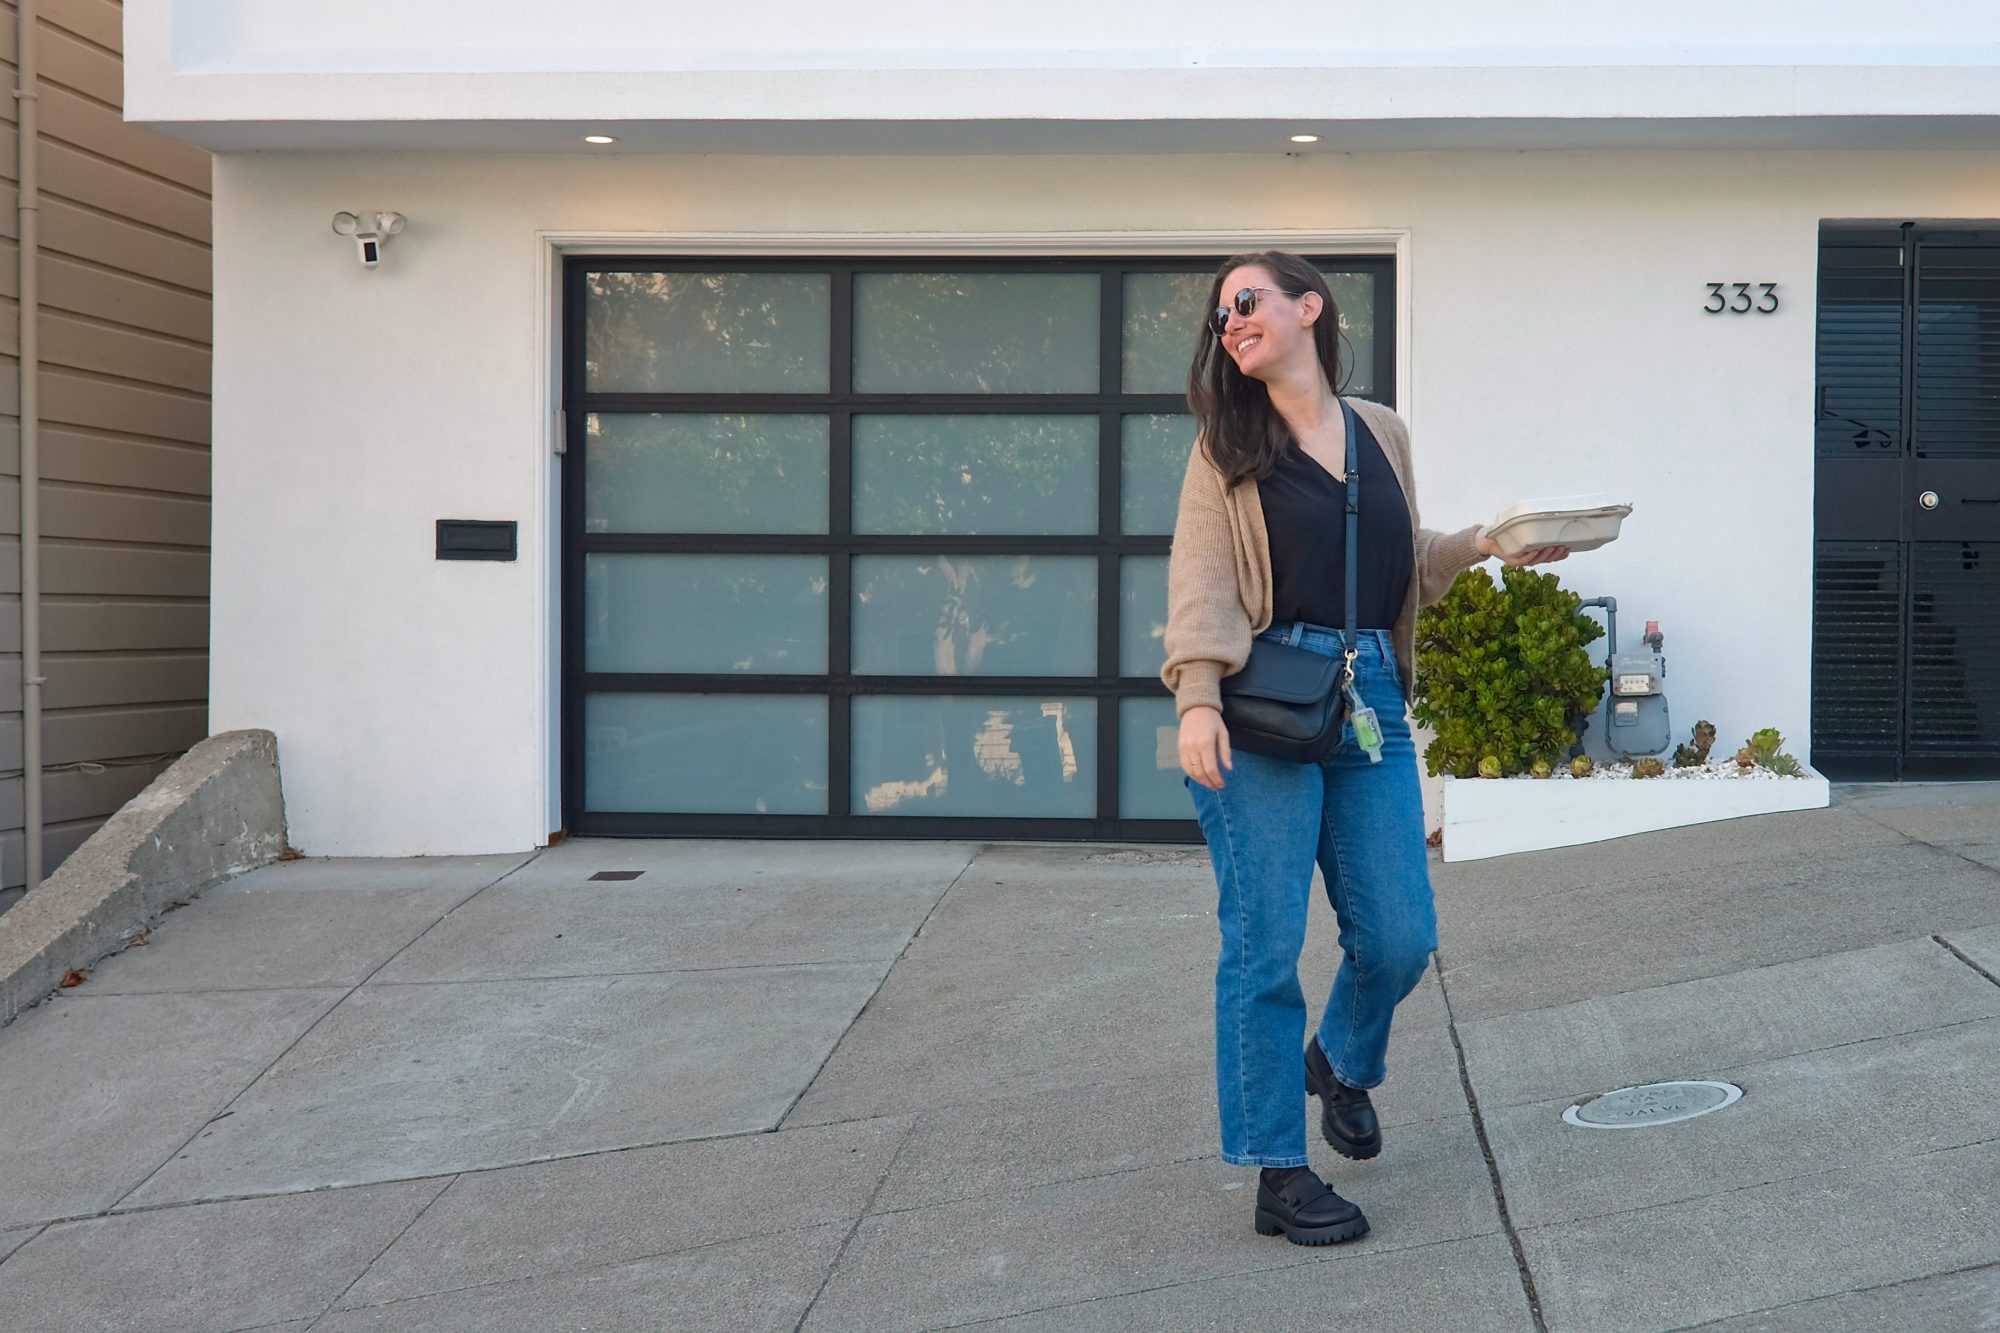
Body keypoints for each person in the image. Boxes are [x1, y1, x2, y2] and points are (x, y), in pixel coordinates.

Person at [1162, 250, 1568, 1246]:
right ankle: (1275, 1170)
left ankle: (1340, 1060)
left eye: (1246, 301)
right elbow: (1201, 579)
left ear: (1310, 307)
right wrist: (1197, 698)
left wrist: (1486, 542)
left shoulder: (1379, 429)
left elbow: (1400, 566)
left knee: (1397, 934)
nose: (1232, 322)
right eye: (1221, 315)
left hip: (1366, 697)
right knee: (1261, 949)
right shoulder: (1225, 443)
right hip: (1260, 700)